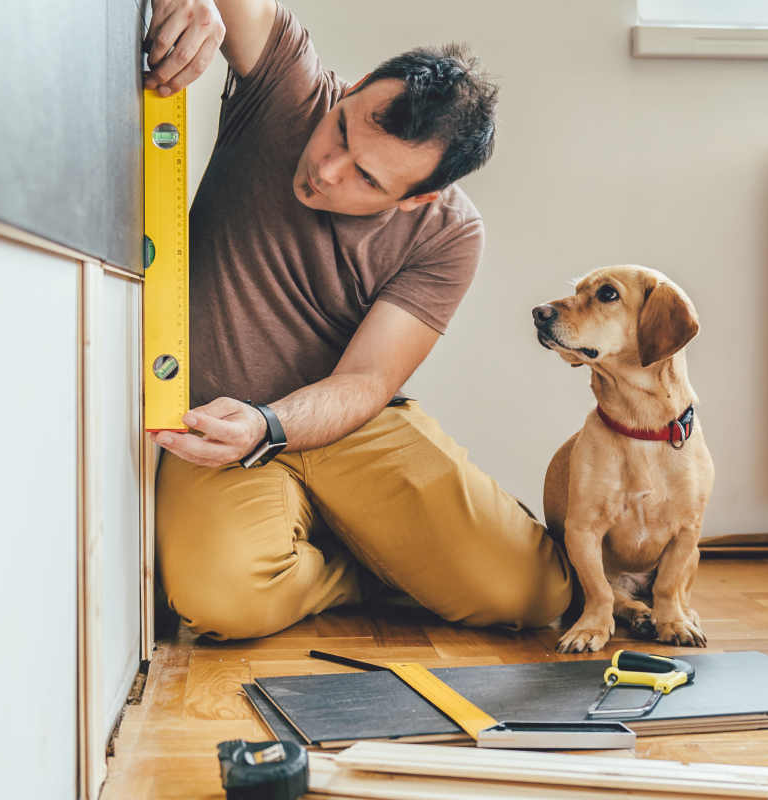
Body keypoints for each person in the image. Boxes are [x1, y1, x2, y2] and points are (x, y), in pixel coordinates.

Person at [143, 0, 573, 640]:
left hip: (345, 421)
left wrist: (275, 423)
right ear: (354, 87)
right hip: (215, 423)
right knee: (222, 601)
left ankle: (369, 546)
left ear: (418, 197)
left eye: (367, 178)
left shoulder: (449, 234)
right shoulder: (288, 87)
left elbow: (370, 381)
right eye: (343, 127)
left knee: (536, 593)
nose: (327, 168)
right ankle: (366, 568)